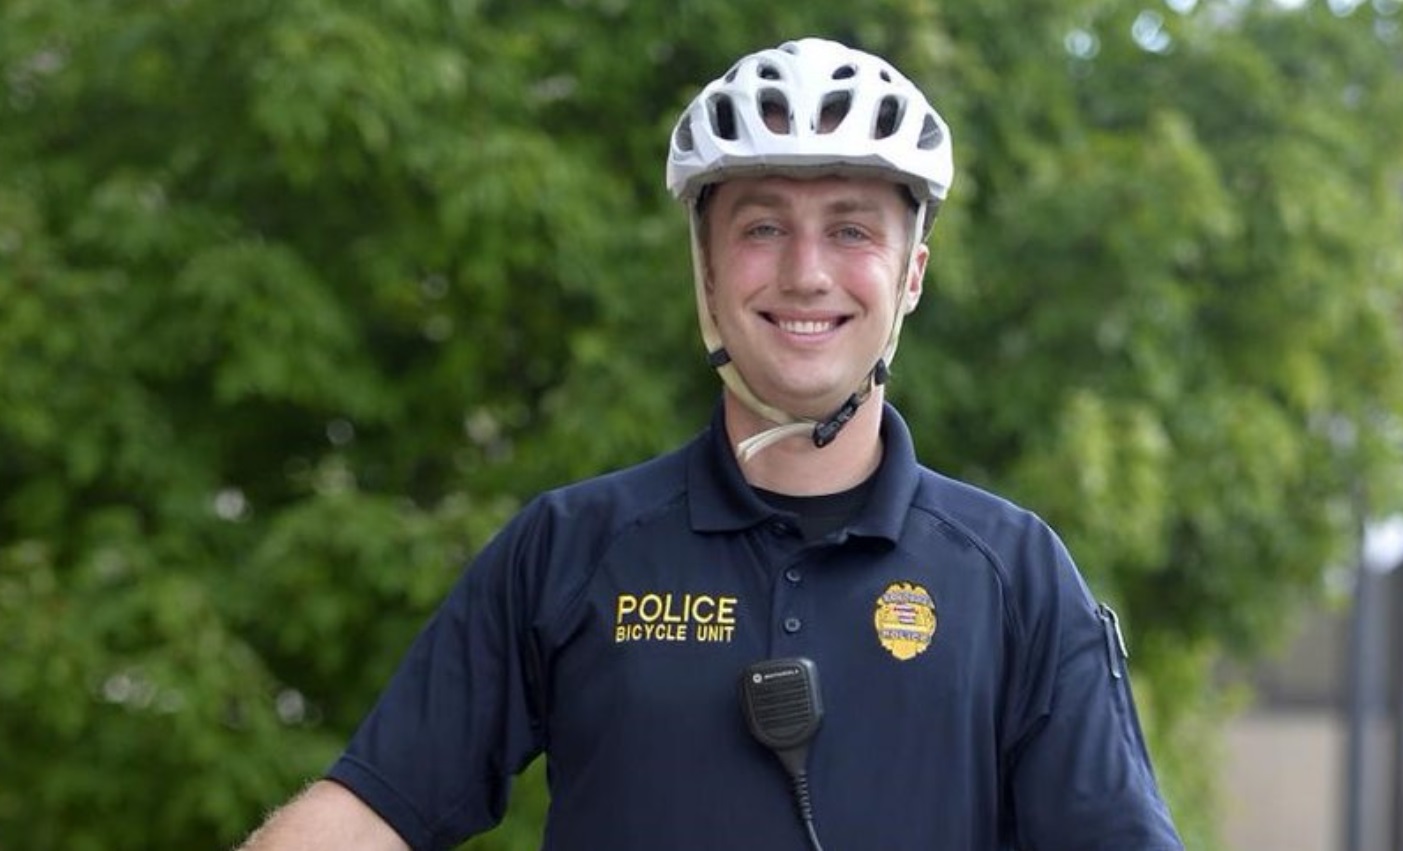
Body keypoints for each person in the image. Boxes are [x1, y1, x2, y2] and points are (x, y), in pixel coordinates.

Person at [237, 37, 1184, 851]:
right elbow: (369, 811)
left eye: (850, 228)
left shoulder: (1013, 575)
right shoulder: (569, 547)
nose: (805, 273)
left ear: (911, 276)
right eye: (762, 226)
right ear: (705, 266)